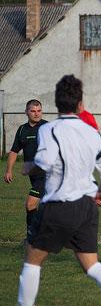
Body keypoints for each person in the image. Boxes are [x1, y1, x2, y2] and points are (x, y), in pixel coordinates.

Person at [0, 75, 101, 306]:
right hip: (87, 207)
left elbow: (41, 163)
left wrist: (27, 166)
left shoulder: (48, 130)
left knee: (32, 259)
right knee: (91, 264)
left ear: (56, 103)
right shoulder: (91, 132)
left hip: (59, 205)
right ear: (80, 103)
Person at [5, 100, 47, 235]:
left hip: (48, 174)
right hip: (33, 175)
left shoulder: (47, 127)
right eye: (33, 111)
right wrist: (9, 170)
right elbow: (14, 151)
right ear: (26, 112)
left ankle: (32, 236)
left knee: (30, 204)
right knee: (49, 209)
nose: (36, 114)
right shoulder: (22, 130)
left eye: (39, 110)